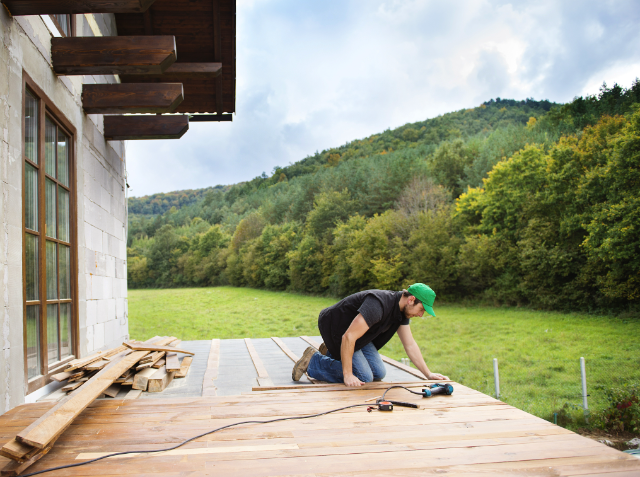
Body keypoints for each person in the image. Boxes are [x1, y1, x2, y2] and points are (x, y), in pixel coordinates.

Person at [292, 283, 449, 386]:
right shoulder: (379, 304)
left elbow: (410, 344)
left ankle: (334, 353)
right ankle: (313, 361)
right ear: (411, 300)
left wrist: (428, 374)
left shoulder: (401, 313)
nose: (421, 315)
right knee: (364, 376)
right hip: (337, 328)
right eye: (421, 309)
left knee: (379, 373)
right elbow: (348, 337)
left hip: (358, 335)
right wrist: (347, 375)